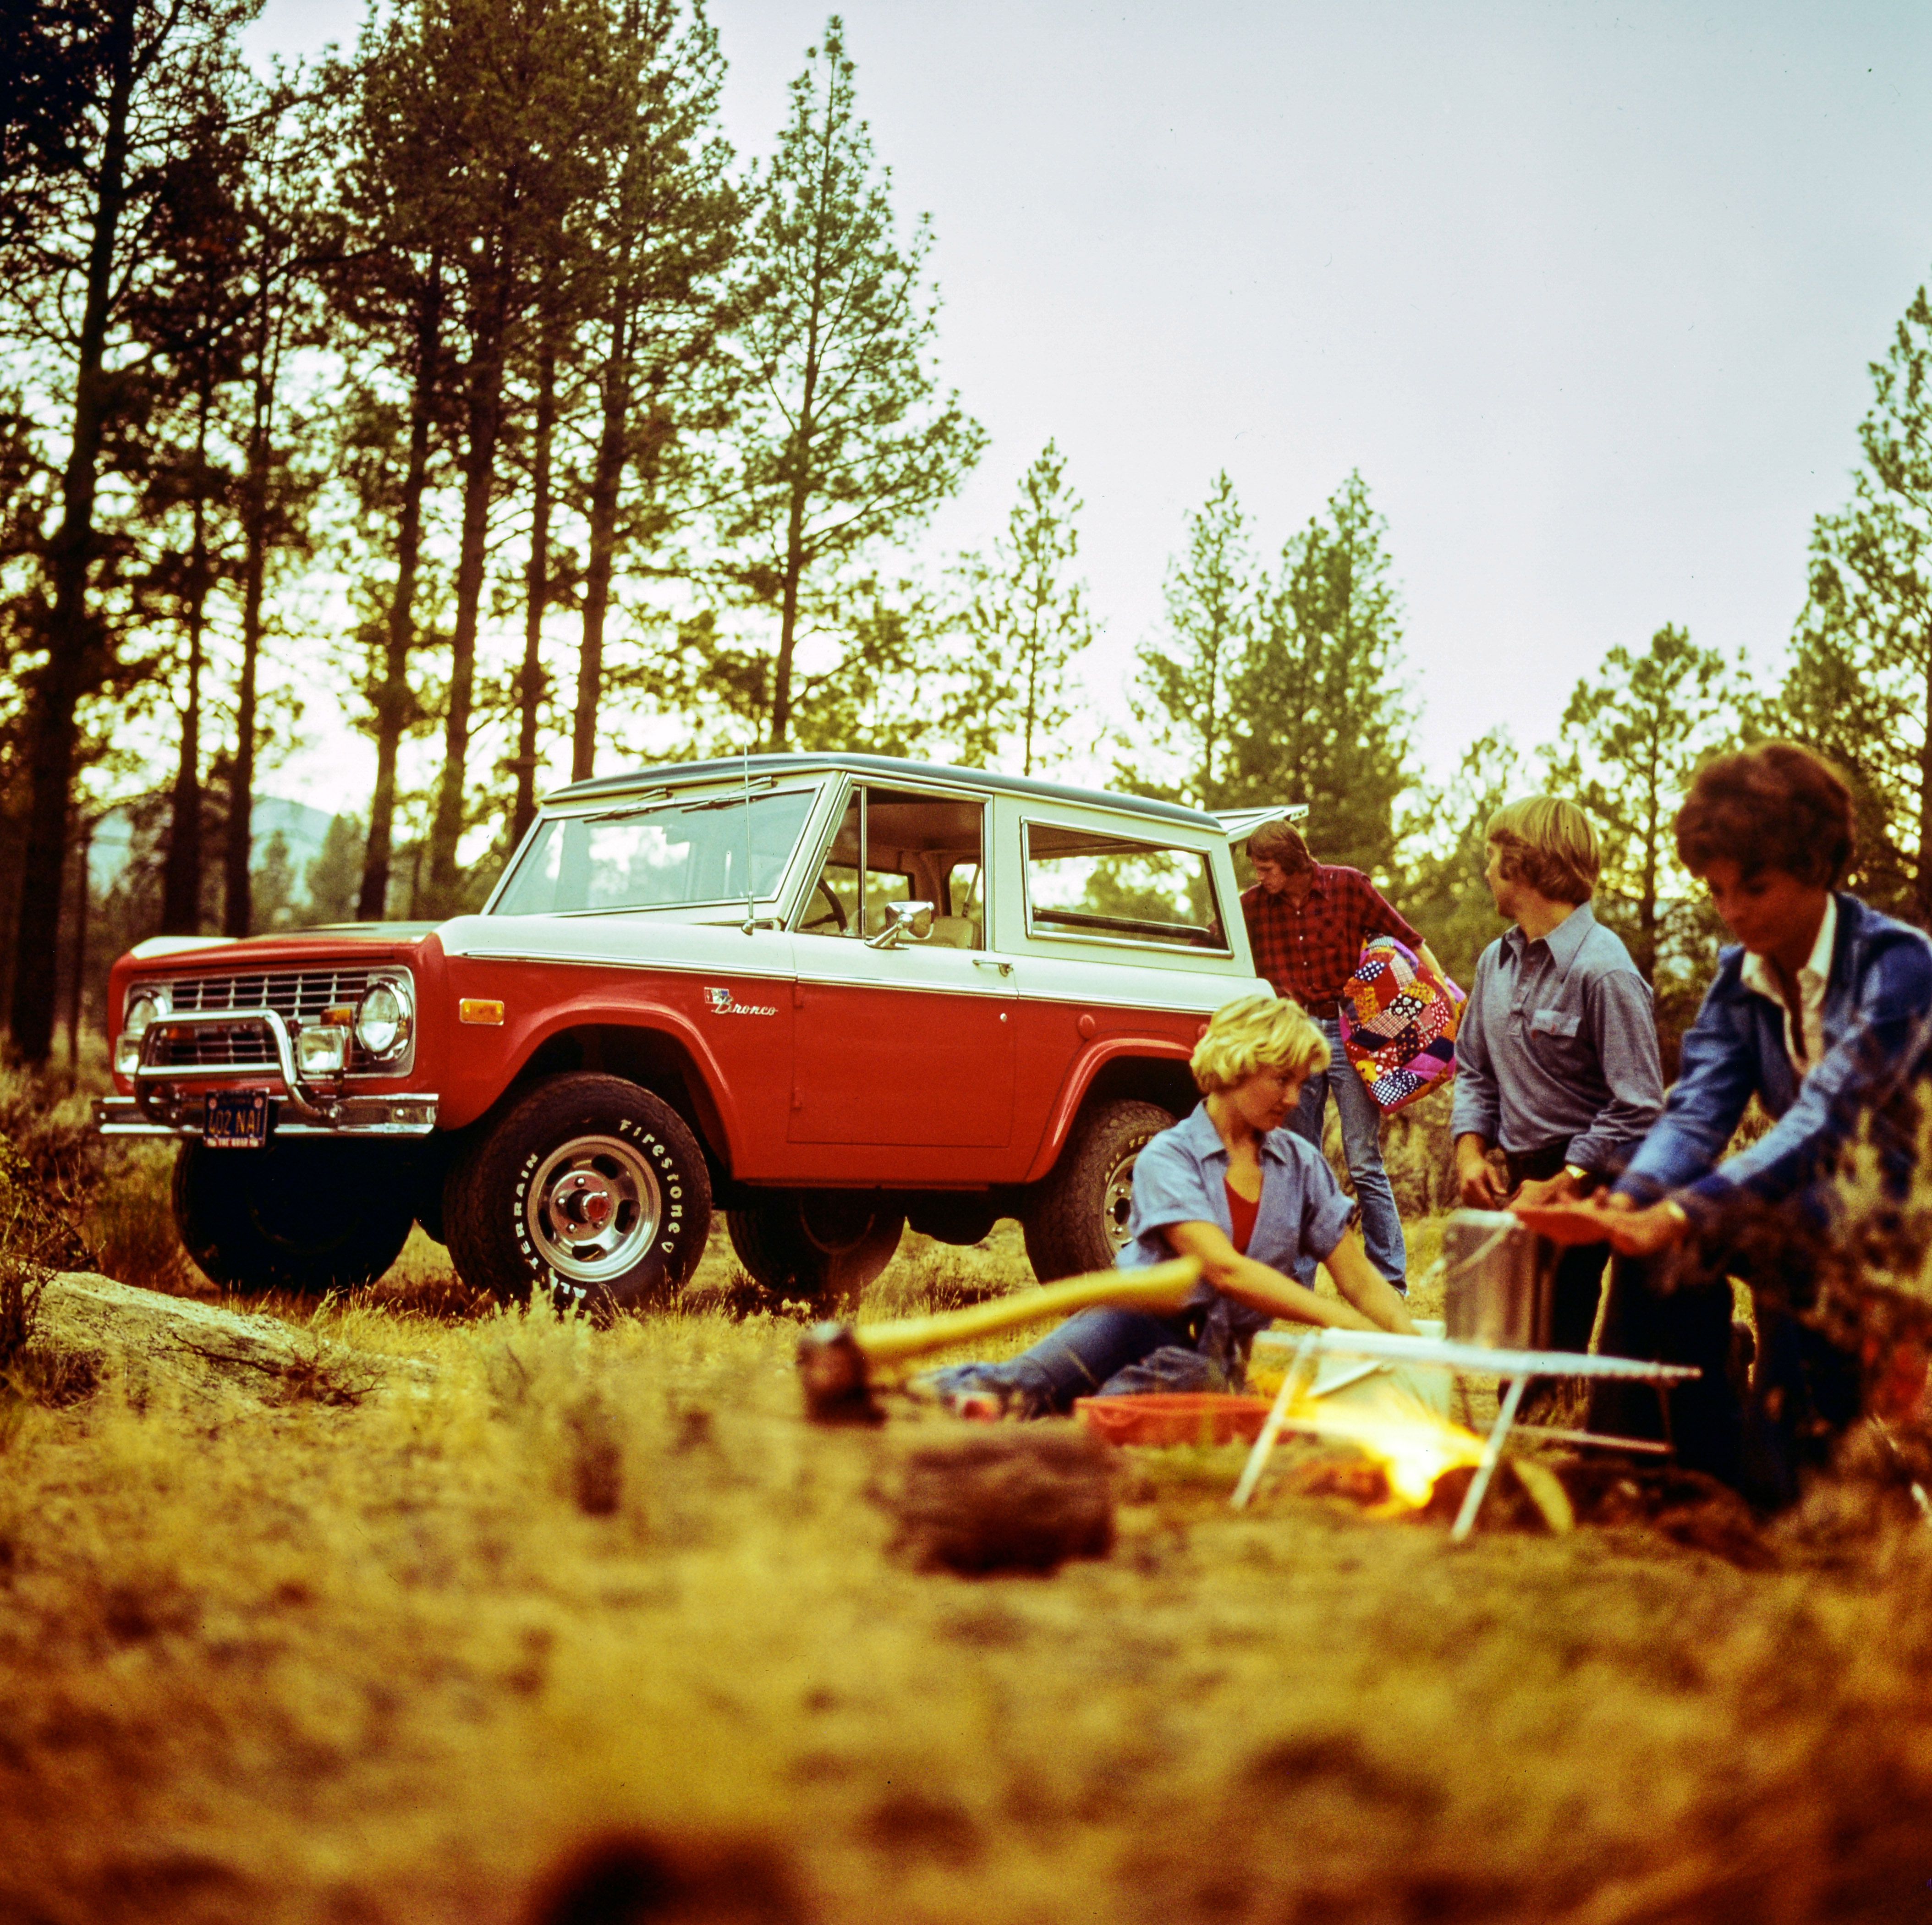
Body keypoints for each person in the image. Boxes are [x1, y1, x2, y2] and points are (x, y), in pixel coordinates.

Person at [1588, 743, 1932, 1505]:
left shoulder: (1900, 967)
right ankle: (1648, 1476)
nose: (1732, 908)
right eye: (1715, 890)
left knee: (1780, 1229)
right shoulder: (1738, 978)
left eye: (1755, 885)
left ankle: (1785, 1489)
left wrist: (1683, 1209)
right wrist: (1632, 1198)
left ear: (1818, 868)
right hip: (1809, 1210)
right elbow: (1698, 1108)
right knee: (1642, 1217)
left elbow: (1829, 1121)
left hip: (1906, 1223)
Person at [919, 994, 1416, 1417]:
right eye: (1281, 1079)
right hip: (1130, 1321)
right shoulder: (1168, 1155)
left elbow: (1358, 1279)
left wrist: (1412, 1341)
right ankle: (894, 1396)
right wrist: (1340, 1322)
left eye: (1301, 1084)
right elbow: (1222, 1270)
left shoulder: (1301, 1163)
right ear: (1237, 1065)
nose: (1293, 1098)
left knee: (1106, 1416)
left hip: (1211, 1356)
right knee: (1017, 1390)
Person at [1451, 796, 1665, 1353]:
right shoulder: (1493, 961)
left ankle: (1715, 1348)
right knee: (1509, 1353)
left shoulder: (1605, 970)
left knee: (1549, 1359)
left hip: (1589, 1179)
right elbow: (1474, 1066)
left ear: (1520, 867)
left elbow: (1638, 1106)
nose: (1486, 870)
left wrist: (1564, 1182)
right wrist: (1470, 1151)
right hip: (1523, 1176)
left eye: (1492, 856)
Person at [1240, 818, 1443, 1294]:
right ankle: (1296, 1285)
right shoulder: (1252, 906)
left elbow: (1409, 939)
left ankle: (1389, 1281)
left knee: (1362, 1158)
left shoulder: (1348, 886)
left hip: (1351, 1031)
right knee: (1297, 1160)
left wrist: (1446, 996)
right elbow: (1210, 945)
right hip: (1291, 1038)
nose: (1260, 876)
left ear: (1291, 865)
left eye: (1267, 868)